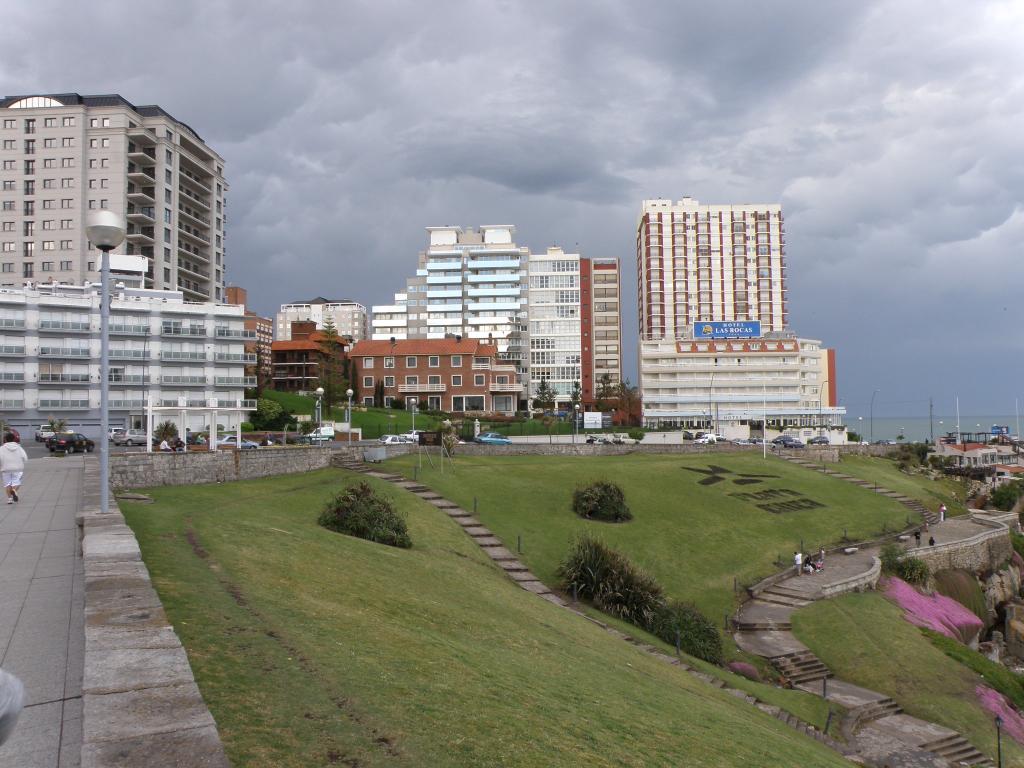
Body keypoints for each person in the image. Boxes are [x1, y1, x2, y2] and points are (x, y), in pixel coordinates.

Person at [1, 432, 27, 504]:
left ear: (5, 440)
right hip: (18, 468)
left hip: (5, 469)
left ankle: (9, 499)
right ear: (14, 439)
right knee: (17, 482)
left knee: (7, 484)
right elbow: (25, 458)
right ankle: (14, 490)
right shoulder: (19, 447)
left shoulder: (2, 448)